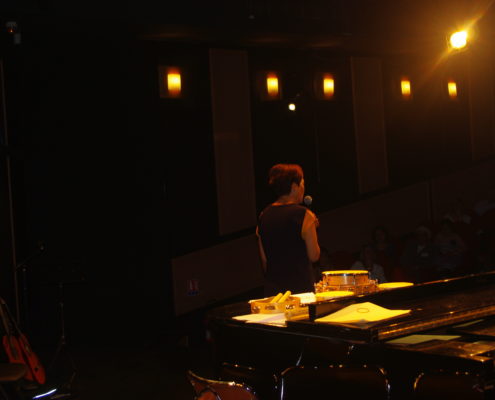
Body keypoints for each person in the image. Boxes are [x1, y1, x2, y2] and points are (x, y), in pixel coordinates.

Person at [257, 164, 320, 296]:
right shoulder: (304, 215)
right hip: (300, 291)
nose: (303, 188)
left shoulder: (264, 215)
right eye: (302, 184)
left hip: (274, 292)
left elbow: (265, 261)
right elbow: (314, 256)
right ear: (294, 187)